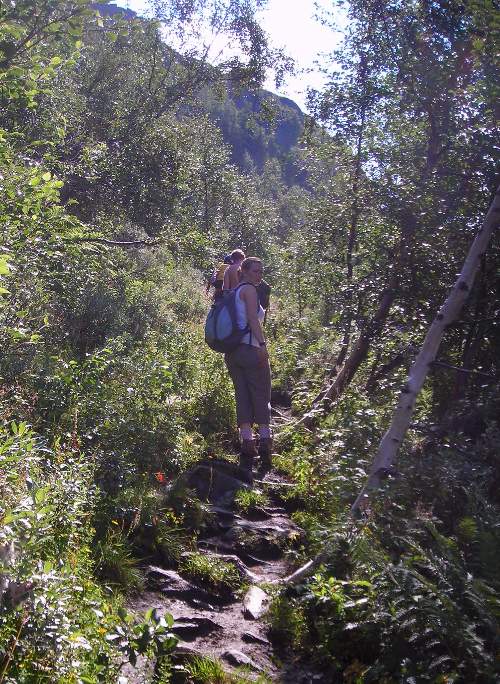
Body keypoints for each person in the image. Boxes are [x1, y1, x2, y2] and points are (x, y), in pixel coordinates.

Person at [224, 257, 272, 479]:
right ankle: (264, 443)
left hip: (233, 352)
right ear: (243, 271)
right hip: (251, 349)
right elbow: (253, 319)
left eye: (261, 271)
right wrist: (262, 345)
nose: (259, 275)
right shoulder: (250, 291)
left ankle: (247, 442)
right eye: (255, 271)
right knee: (261, 393)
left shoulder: (233, 292)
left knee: (242, 395)